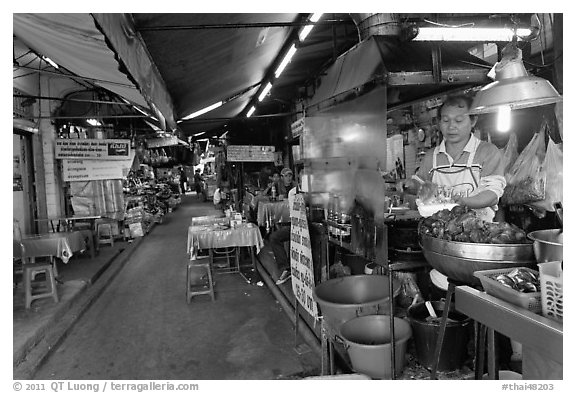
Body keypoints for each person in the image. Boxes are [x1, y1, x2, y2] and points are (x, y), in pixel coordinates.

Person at [401, 94, 506, 222]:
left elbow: (492, 194)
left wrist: (465, 202)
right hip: (437, 231)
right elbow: (421, 188)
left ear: (473, 121)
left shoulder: (487, 152)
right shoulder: (431, 157)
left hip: (478, 231)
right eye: (445, 120)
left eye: (459, 120)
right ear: (439, 123)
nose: (451, 126)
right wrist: (410, 185)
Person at [269, 168, 299, 285]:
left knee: (276, 237)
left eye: (290, 175)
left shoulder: (296, 188)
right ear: (282, 177)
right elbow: (271, 197)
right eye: (286, 175)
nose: (289, 178)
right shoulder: (278, 185)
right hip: (291, 220)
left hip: (299, 224)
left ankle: (288, 268)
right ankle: (287, 267)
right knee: (275, 236)